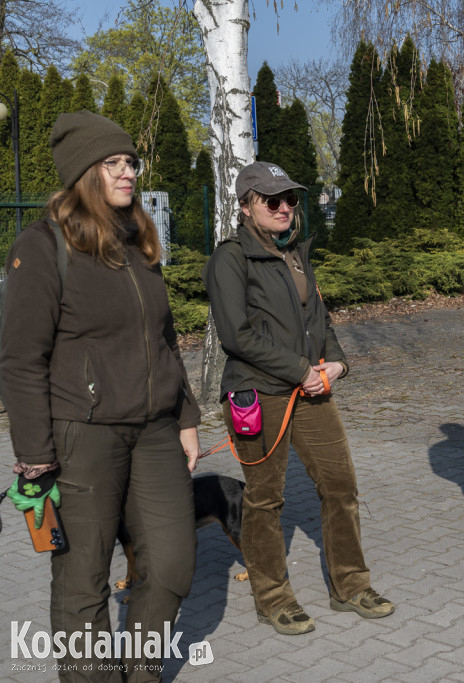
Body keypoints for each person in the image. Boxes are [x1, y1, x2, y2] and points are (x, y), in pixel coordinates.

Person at [1, 110, 201, 681]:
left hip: (156, 431)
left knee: (170, 565)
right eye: (113, 162)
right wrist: (35, 455)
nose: (128, 172)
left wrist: (186, 414)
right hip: (81, 434)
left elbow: (163, 338)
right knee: (83, 579)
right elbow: (19, 359)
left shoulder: (138, 241)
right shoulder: (42, 247)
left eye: (131, 161)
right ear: (84, 171)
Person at [203, 161, 394, 636]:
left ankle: (350, 585)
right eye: (273, 200)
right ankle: (272, 596)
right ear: (247, 206)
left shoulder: (295, 253)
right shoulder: (231, 258)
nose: (285, 207)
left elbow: (320, 322)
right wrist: (299, 370)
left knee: (341, 486)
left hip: (311, 390)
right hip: (258, 392)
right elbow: (236, 335)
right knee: (265, 499)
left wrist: (337, 362)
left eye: (290, 198)